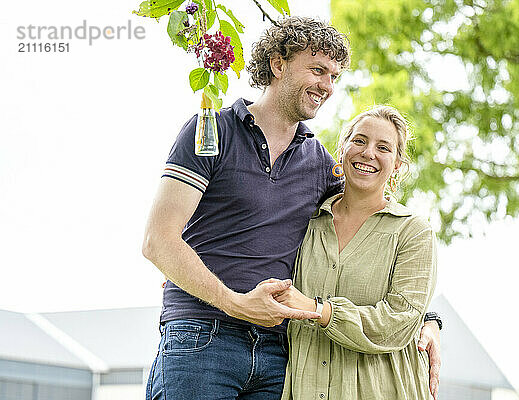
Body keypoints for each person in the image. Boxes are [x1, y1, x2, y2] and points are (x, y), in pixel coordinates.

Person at [143, 16, 441, 400]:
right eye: (317, 70)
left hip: (278, 354)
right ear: (278, 63)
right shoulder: (210, 131)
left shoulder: (319, 163)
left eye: (334, 76)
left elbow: (373, 222)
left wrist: (429, 319)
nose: (327, 86)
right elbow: (158, 241)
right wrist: (232, 302)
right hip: (202, 336)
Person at [272, 106, 437, 399]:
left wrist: (318, 309)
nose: (368, 153)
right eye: (359, 141)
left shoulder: (413, 232)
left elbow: (399, 321)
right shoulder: (306, 222)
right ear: (343, 148)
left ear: (397, 164)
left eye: (383, 147)